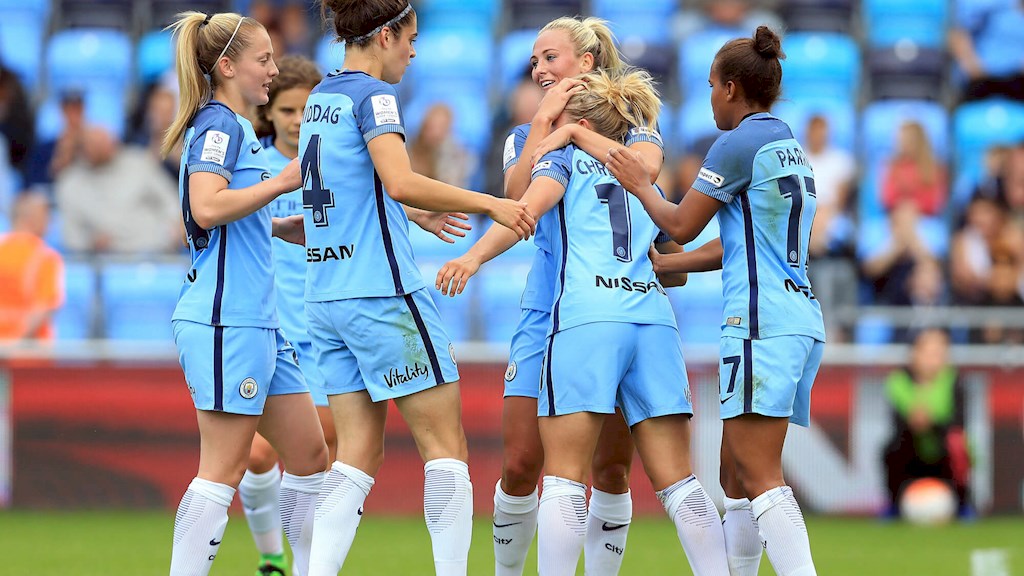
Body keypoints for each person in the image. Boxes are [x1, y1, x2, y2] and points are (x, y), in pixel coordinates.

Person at [436, 68, 729, 576]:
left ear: (581, 123)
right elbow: (673, 262)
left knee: (565, 480)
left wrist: (472, 257)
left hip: (587, 319)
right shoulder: (640, 172)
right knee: (681, 483)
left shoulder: (564, 158)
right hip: (653, 320)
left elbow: (524, 213)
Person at [304, 3, 535, 575]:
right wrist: (489, 203)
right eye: (409, 37)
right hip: (381, 293)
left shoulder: (319, 97)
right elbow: (400, 179)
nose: (413, 50)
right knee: (446, 449)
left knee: (354, 456)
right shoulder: (375, 97)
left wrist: (409, 214)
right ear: (384, 35)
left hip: (326, 295)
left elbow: (352, 187)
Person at [606, 26, 825, 576]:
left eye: (710, 87)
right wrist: (667, 266)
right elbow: (744, 244)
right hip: (797, 316)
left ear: (730, 88)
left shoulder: (737, 143)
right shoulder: (788, 145)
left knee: (759, 476)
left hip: (760, 322)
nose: (709, 99)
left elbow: (681, 222)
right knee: (734, 475)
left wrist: (640, 184)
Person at [488, 16, 670, 576]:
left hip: (607, 308)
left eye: (551, 58)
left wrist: (573, 133)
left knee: (611, 469)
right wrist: (546, 122)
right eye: (534, 62)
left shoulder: (637, 124)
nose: (539, 70)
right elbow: (515, 201)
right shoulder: (524, 135)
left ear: (587, 62)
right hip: (545, 311)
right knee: (521, 463)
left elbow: (646, 170)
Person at [161, 12, 328, 576]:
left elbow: (222, 215)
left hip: (259, 319)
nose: (274, 70)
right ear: (228, 67)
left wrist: (276, 226)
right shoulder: (220, 126)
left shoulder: (233, 126)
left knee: (309, 457)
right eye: (264, 59)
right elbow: (207, 206)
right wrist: (280, 184)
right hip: (225, 318)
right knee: (224, 469)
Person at [882, 328, 972, 518]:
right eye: (928, 353)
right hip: (911, 445)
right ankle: (894, 505)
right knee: (890, 449)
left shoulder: (954, 380)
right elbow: (897, 421)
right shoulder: (899, 380)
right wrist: (915, 420)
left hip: (942, 446)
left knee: (958, 444)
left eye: (939, 353)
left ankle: (964, 505)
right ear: (915, 354)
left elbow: (959, 421)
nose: (933, 360)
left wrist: (932, 420)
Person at [55, 125, 181, 255]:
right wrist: (89, 244)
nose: (104, 147)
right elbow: (71, 236)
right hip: (104, 260)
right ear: (82, 150)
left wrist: (172, 232)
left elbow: (171, 200)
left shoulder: (139, 163)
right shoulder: (71, 183)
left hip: (153, 252)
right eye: (95, 145)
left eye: (106, 141)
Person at [0, 191, 63, 340]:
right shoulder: (46, 258)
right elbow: (43, 307)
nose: (50, 222)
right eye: (46, 216)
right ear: (31, 219)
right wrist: (15, 343)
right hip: (30, 349)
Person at [880, 121, 947, 217]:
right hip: (897, 217)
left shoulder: (934, 167)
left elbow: (935, 201)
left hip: (926, 218)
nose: (904, 143)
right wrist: (904, 204)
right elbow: (887, 198)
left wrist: (914, 204)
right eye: (902, 139)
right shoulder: (892, 165)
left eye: (909, 139)